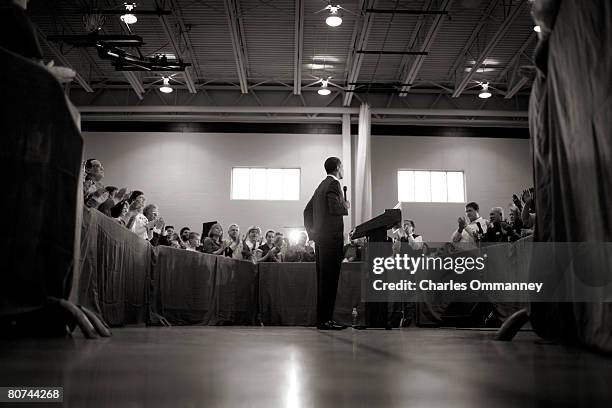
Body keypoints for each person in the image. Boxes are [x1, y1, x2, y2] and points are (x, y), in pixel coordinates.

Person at [304, 156, 350, 330]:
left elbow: (306, 212)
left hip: (321, 242)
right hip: (331, 241)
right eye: (343, 167)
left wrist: (313, 235)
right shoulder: (333, 184)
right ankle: (326, 321)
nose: (343, 170)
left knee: (323, 282)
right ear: (338, 167)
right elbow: (335, 208)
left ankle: (323, 320)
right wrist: (345, 205)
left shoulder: (319, 187)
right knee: (330, 282)